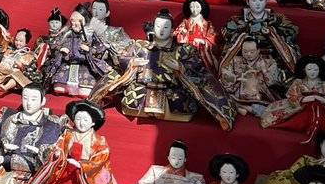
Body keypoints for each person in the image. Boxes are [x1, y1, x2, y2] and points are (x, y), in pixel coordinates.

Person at [91, 10, 235, 130]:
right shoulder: (140, 46)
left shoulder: (185, 49)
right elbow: (122, 58)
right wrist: (132, 62)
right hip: (142, 91)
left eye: (166, 27)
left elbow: (197, 67)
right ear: (153, 28)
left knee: (182, 101)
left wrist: (180, 68)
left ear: (173, 31)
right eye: (158, 26)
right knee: (131, 98)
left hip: (173, 94)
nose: (161, 29)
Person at [124, 140, 205, 184]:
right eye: (173, 157)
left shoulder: (196, 178)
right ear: (168, 158)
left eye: (180, 158)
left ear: (185, 159)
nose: (176, 161)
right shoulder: (156, 171)